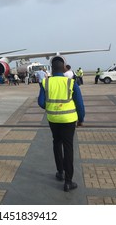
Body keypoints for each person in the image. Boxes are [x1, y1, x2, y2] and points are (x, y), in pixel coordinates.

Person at [38, 56, 85, 192]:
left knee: (56, 144)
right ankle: (68, 182)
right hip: (69, 120)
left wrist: (52, 107)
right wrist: (81, 119)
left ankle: (60, 172)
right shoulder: (71, 83)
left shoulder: (45, 83)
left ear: (51, 69)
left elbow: (41, 102)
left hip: (53, 119)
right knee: (68, 147)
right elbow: (80, 104)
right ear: (64, 68)